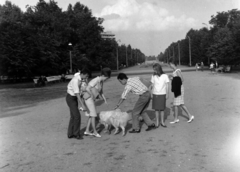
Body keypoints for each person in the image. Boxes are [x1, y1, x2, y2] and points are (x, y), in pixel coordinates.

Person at [83, 68, 112, 138]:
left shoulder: (101, 81)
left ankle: (87, 130)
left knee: (91, 115)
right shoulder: (96, 80)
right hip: (88, 98)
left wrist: (105, 100)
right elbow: (87, 88)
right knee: (93, 115)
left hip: (92, 99)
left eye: (107, 78)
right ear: (102, 75)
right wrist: (92, 95)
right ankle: (95, 132)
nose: (106, 79)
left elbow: (101, 92)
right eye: (106, 77)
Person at [65, 68, 90, 140]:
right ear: (83, 74)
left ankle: (70, 133)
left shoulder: (80, 78)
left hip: (73, 98)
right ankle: (76, 134)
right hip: (71, 98)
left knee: (73, 116)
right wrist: (82, 105)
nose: (86, 77)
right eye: (86, 76)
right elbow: (77, 93)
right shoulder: (76, 80)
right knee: (77, 116)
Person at [150, 63, 169, 128]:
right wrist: (151, 93)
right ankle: (157, 122)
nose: (154, 71)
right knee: (156, 109)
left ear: (158, 69)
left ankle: (162, 122)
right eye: (153, 69)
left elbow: (167, 85)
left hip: (162, 94)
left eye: (155, 69)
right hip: (155, 94)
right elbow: (152, 85)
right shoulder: (153, 76)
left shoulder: (165, 76)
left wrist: (167, 94)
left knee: (162, 109)